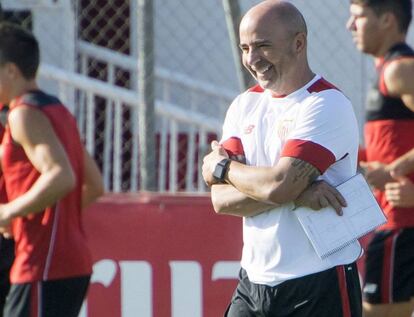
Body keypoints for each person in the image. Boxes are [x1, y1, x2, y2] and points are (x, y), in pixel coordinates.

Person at [202, 1, 362, 316]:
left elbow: (279, 185)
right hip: (252, 283)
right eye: (245, 47)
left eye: (263, 46)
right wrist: (295, 194)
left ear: (298, 43)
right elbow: (220, 199)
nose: (252, 59)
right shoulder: (244, 104)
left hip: (319, 283)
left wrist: (222, 166)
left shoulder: (326, 104)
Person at [0, 22, 104, 317]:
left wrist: (10, 212)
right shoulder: (58, 110)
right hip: (72, 262)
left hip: (42, 264)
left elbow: (61, 176)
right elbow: (94, 184)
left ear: (11, 70)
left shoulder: (23, 115)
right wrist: (41, 214)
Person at [347, 0, 414, 316]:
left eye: (358, 17)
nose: (350, 26)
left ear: (387, 19)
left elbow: (392, 162)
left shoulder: (400, 70)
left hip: (403, 225)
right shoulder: (388, 70)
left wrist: (394, 169)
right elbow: (390, 146)